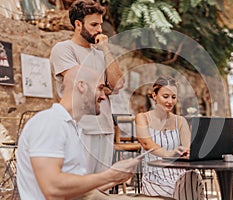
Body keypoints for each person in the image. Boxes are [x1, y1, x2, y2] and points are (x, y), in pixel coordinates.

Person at [16, 66, 173, 200]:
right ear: (82, 86)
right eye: (100, 88)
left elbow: (78, 187)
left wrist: (117, 177)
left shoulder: (72, 127)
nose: (104, 96)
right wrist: (110, 175)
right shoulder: (50, 121)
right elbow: (52, 189)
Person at [50, 0, 123, 174]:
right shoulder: (63, 49)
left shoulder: (101, 54)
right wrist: (104, 87)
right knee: (79, 185)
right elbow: (80, 84)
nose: (99, 30)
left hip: (105, 128)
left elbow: (118, 84)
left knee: (100, 187)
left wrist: (105, 49)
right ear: (77, 24)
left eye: (100, 24)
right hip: (80, 128)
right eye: (94, 24)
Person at [135, 76, 204, 199]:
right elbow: (146, 144)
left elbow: (188, 148)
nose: (170, 101)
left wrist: (187, 152)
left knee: (193, 182)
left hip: (180, 175)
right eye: (165, 96)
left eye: (173, 97)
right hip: (154, 176)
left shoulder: (180, 121)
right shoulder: (142, 118)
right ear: (154, 96)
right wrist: (170, 154)